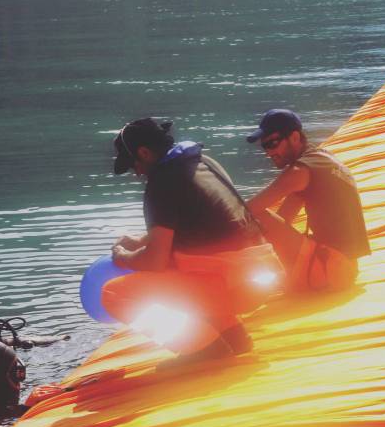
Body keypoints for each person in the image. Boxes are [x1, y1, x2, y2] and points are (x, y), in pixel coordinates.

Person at [104, 117, 269, 359]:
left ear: (145, 153)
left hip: (232, 284)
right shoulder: (204, 162)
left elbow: (154, 262)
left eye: (133, 164)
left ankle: (203, 350)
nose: (136, 173)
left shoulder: (161, 184)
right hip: (261, 276)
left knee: (113, 294)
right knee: (182, 269)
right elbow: (212, 224)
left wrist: (124, 257)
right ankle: (233, 337)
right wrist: (143, 240)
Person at [246, 108, 370, 291]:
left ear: (295, 137)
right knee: (264, 225)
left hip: (329, 273)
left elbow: (248, 210)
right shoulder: (323, 159)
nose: (269, 152)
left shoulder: (299, 171)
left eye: (273, 143)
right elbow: (284, 219)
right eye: (265, 146)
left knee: (255, 216)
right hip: (346, 269)